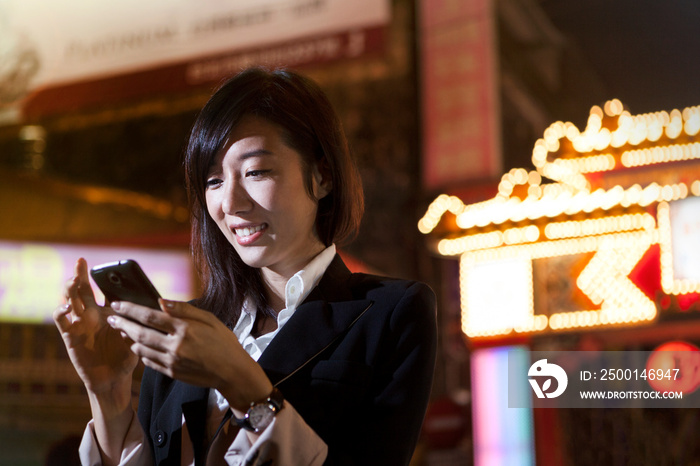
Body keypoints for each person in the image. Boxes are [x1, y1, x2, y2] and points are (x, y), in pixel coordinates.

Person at [54, 67, 437, 465]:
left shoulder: (391, 313)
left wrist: (240, 380)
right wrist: (109, 393)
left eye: (256, 171)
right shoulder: (185, 327)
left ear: (322, 176)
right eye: (213, 180)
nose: (231, 203)